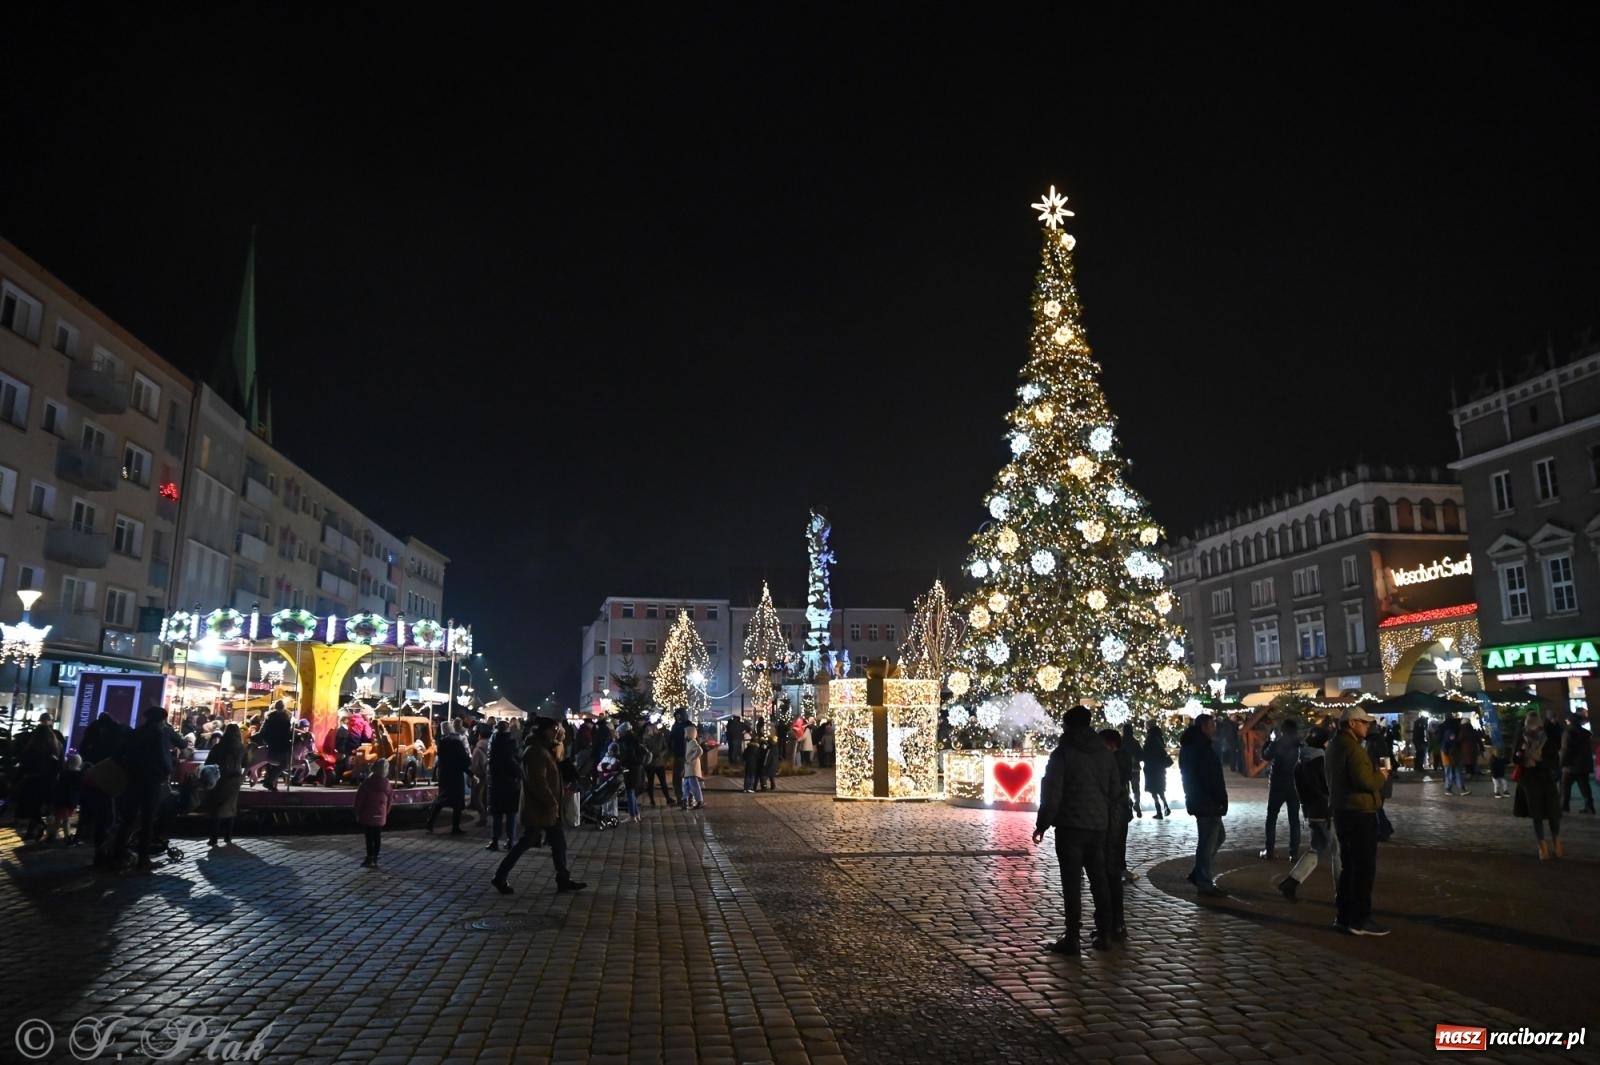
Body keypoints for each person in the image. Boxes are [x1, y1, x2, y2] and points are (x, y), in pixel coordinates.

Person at [1032, 706, 1119, 953]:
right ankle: (1105, 933)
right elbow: (1115, 791)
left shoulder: (1063, 753)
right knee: (1099, 879)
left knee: (1071, 882)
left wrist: (1042, 824)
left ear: (1067, 725)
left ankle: (1072, 937)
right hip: (1098, 826)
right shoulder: (1105, 754)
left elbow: (1052, 792)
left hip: (1070, 827)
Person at [493, 718, 586, 894]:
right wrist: (551, 801)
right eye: (553, 729)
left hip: (548, 808)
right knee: (526, 843)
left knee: (558, 843)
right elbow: (537, 781)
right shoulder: (535, 751)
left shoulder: (545, 749)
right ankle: (500, 876)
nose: (556, 733)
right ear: (543, 730)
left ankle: (563, 878)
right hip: (540, 808)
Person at [1327, 706, 1390, 935]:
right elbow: (1364, 781)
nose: (1367, 726)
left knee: (1349, 866)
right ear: (1352, 723)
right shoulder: (1352, 748)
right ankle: (1359, 919)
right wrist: (1380, 776)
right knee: (1363, 868)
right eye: (1363, 722)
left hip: (1343, 811)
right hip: (1358, 812)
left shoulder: (1335, 744)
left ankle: (1344, 916)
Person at [116, 706, 183, 870]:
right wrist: (166, 771)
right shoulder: (160, 734)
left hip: (133, 781)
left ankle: (118, 855)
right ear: (161, 720)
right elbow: (166, 755)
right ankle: (143, 858)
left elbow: (119, 755)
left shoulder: (136, 733)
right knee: (148, 819)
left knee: (129, 819)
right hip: (151, 782)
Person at [1276, 725, 1338, 903]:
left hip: (1312, 811)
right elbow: (1327, 787)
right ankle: (1343, 894)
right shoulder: (1321, 761)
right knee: (1338, 851)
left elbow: (1301, 790)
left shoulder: (1300, 761)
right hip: (1326, 811)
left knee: (1316, 849)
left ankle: (1291, 882)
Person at [1179, 713, 1229, 897]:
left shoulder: (1194, 745)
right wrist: (1220, 798)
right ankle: (1204, 881)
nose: (1214, 728)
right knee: (1207, 842)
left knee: (1218, 836)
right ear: (1203, 727)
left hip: (1200, 798)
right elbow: (1210, 777)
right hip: (1206, 800)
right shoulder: (1200, 748)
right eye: (1211, 725)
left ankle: (1198, 873)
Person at [1513, 708, 1564, 859]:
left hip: (1546, 778)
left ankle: (1556, 841)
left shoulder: (1547, 739)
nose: (1531, 730)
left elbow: (1554, 761)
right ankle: (1542, 845)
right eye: (1529, 727)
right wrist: (1521, 756)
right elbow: (1514, 758)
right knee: (1536, 814)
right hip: (1529, 780)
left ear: (1540, 726)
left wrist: (1539, 761)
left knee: (1553, 813)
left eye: (1534, 727)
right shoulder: (1521, 738)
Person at [1100, 728, 1137, 901]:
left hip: (1116, 806)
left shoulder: (1116, 759)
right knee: (1115, 840)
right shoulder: (1118, 758)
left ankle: (1115, 870)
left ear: (1111, 743)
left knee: (1115, 840)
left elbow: (1117, 782)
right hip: (1117, 806)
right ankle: (1116, 868)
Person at [1259, 718, 1302, 860]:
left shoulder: (1277, 743)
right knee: (1294, 820)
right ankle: (1294, 853)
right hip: (1294, 785)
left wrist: (1269, 741)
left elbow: (1265, 755)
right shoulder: (1299, 745)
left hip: (1278, 785)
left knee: (1271, 817)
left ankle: (1269, 850)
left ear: (1282, 730)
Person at [204, 723, 246, 847]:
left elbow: (208, 762)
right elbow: (245, 763)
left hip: (220, 778)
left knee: (217, 808)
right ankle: (228, 836)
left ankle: (214, 838)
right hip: (235, 780)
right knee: (231, 807)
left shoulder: (218, 747)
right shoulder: (242, 748)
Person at [427, 720, 470, 834]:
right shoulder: (457, 742)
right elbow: (462, 760)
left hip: (445, 775)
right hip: (455, 775)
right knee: (457, 802)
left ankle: (430, 822)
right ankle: (455, 827)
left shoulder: (441, 742)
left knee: (442, 798)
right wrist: (470, 772)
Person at [486, 719, 522, 850]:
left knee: (497, 814)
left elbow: (491, 763)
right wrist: (517, 774)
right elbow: (515, 762)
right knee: (511, 814)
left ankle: (495, 840)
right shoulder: (511, 743)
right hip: (510, 783)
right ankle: (510, 840)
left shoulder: (493, 743)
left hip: (496, 782)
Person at [355, 758, 395, 866]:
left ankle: (369, 857)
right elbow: (390, 801)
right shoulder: (387, 784)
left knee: (369, 837)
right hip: (380, 815)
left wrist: (357, 812)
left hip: (367, 815)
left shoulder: (367, 783)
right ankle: (376, 858)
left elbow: (359, 799)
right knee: (377, 837)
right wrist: (386, 813)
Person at [1559, 716, 1595, 814]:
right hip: (1583, 764)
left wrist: (1561, 763)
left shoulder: (1568, 732)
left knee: (1565, 786)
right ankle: (1590, 806)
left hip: (1570, 765)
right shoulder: (1585, 733)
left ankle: (1564, 806)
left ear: (1570, 721)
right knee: (1585, 786)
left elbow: (1565, 750)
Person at [256, 700, 293, 791]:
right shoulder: (285, 717)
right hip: (280, 743)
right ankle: (269, 781)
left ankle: (270, 782)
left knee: (276, 764)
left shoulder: (270, 716)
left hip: (272, 742)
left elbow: (263, 730)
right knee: (284, 764)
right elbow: (287, 731)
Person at [49, 752, 83, 844]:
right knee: (65, 818)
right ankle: (67, 837)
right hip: (70, 800)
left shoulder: (63, 774)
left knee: (59, 818)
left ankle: (53, 835)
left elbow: (59, 787)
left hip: (61, 799)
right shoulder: (79, 775)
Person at [1141, 722, 1172, 818]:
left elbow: (1145, 753)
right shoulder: (1160, 740)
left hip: (1151, 769)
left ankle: (1159, 811)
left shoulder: (1150, 740)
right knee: (1160, 789)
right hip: (1160, 769)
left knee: (1153, 791)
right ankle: (1166, 806)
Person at [617, 721, 644, 823]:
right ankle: (636, 814)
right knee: (632, 792)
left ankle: (632, 815)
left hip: (630, 768)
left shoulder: (626, 741)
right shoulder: (635, 738)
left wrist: (621, 761)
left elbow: (629, 755)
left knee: (629, 791)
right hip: (637, 767)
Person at [641, 722, 673, 806]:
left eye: (654, 728)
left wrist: (661, 754)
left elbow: (665, 748)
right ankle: (652, 800)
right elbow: (644, 749)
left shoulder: (660, 737)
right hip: (650, 763)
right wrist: (649, 754)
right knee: (650, 782)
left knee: (663, 782)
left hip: (659, 763)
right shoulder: (646, 738)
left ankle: (668, 798)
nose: (653, 729)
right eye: (651, 728)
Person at [1121, 722, 1143, 818]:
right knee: (1136, 788)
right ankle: (1137, 803)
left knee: (1126, 789)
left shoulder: (1121, 742)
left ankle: (1129, 806)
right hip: (1135, 769)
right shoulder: (1135, 742)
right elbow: (1141, 755)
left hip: (1124, 769)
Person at [669, 709, 690, 804]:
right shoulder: (675, 725)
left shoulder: (689, 725)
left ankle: (688, 796)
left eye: (679, 715)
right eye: (676, 716)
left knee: (687, 777)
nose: (678, 717)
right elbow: (671, 738)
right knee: (677, 777)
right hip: (677, 754)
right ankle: (679, 797)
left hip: (685, 754)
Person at [681, 725, 705, 809]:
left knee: (693, 785)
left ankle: (699, 801)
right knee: (686, 785)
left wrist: (691, 759)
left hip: (692, 768)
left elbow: (700, 751)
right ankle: (685, 800)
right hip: (689, 767)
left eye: (685, 733)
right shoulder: (689, 742)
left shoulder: (693, 742)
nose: (684, 735)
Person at [742, 725, 767, 793]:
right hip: (753, 764)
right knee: (752, 776)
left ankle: (745, 788)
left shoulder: (748, 748)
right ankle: (750, 788)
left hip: (748, 764)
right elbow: (758, 757)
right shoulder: (756, 749)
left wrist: (745, 760)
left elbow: (744, 756)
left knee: (747, 775)